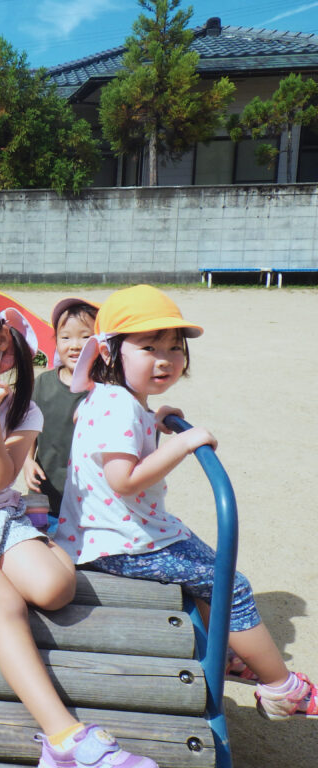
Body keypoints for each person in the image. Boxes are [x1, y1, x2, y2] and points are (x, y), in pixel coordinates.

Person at [0, 287, 157, 768]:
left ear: (1, 341)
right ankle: (64, 738)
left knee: (55, 588)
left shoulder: (24, 408)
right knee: (6, 605)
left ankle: (46, 542)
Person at [57, 283, 316, 722]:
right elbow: (123, 479)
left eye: (175, 347)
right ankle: (281, 690)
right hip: (119, 542)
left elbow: (108, 433)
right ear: (108, 354)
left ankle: (226, 652)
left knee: (206, 565)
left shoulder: (116, 398)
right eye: (149, 347)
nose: (165, 359)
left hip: (122, 530)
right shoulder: (118, 405)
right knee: (230, 584)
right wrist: (183, 443)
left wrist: (155, 421)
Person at [23, 298, 99, 529]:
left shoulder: (106, 389)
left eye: (85, 337)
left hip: (92, 503)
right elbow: (28, 428)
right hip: (47, 498)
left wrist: (156, 416)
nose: (75, 345)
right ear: (55, 341)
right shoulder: (43, 384)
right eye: (65, 337)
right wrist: (27, 460)